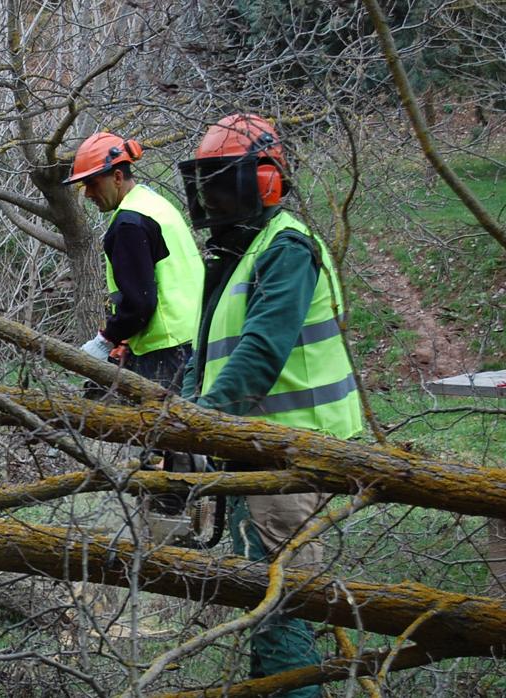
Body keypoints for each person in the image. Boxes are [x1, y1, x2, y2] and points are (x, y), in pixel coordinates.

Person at [178, 114, 364, 695]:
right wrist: (180, 421)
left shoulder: (287, 249)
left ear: (264, 181)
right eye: (205, 182)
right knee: (263, 602)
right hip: (256, 456)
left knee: (280, 609)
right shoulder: (238, 254)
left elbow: (261, 350)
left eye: (222, 181)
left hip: (296, 457)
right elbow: (205, 352)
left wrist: (203, 424)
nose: (211, 195)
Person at [63, 132, 203, 389]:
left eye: (92, 184)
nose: (87, 194)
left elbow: (139, 303)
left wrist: (105, 341)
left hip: (165, 352)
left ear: (117, 176)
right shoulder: (156, 205)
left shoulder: (129, 222)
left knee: (160, 427)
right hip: (195, 338)